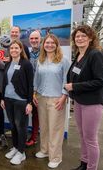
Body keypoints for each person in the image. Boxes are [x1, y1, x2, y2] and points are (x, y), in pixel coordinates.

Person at [64, 25, 103, 170]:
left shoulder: (95, 54)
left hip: (93, 102)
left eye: (83, 36)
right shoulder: (79, 55)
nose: (79, 38)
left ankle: (92, 167)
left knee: (90, 139)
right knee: (83, 135)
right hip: (79, 101)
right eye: (77, 36)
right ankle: (84, 164)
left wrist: (74, 87)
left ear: (90, 38)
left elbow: (101, 81)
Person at [33, 34, 69, 169]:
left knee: (55, 129)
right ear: (43, 45)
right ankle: (45, 150)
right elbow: (36, 77)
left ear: (56, 45)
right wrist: (34, 92)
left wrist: (64, 96)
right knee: (44, 126)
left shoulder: (63, 60)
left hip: (56, 98)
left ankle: (55, 157)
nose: (49, 45)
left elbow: (67, 79)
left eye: (52, 43)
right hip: (41, 97)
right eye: (47, 43)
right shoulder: (40, 60)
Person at [1, 40, 33, 165]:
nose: (13, 50)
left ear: (21, 49)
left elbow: (30, 85)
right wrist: (3, 98)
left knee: (21, 127)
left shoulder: (26, 64)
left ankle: (21, 152)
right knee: (13, 125)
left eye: (16, 48)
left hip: (21, 100)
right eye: (12, 48)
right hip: (8, 100)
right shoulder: (8, 64)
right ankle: (15, 147)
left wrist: (29, 102)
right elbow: (5, 82)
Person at [26, 31, 41, 147]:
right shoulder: (28, 54)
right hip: (29, 87)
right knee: (29, 112)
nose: (34, 40)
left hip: (41, 89)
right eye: (32, 38)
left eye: (36, 38)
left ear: (40, 39)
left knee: (37, 114)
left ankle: (34, 137)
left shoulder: (45, 53)